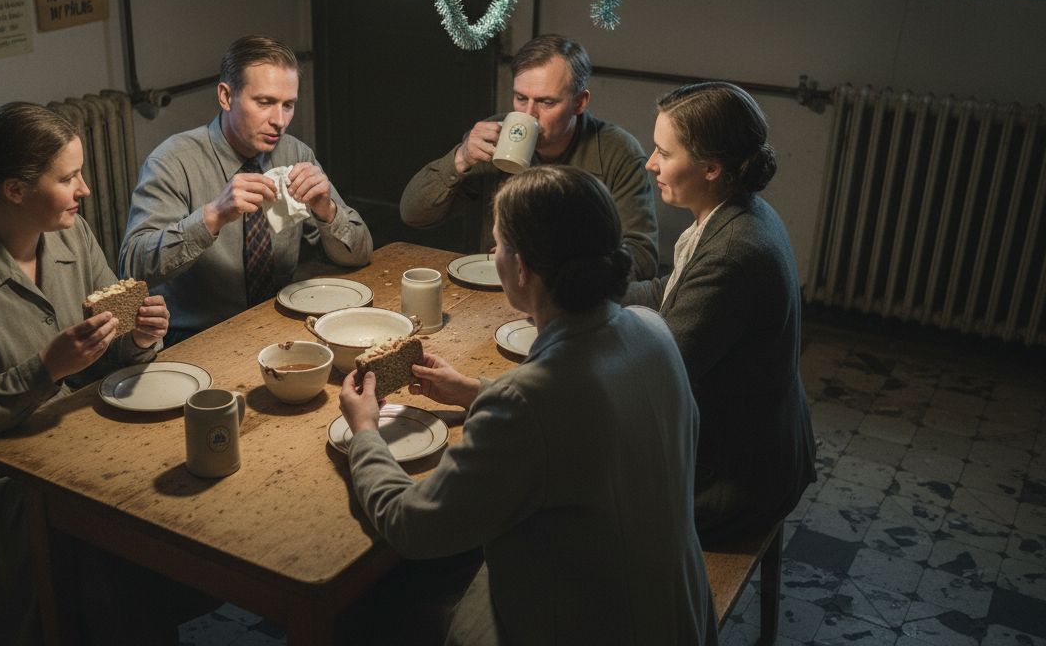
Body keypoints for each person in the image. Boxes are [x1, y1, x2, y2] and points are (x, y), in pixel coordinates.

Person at [340, 165, 714, 645]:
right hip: (676, 616)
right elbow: (577, 415)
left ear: (521, 268)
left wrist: (366, 432)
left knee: (368, 606)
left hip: (593, 628)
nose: (492, 254)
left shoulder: (527, 403)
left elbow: (411, 525)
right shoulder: (652, 331)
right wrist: (473, 390)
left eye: (496, 244)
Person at [0, 102, 202, 644]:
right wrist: (46, 370)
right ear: (14, 189)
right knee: (102, 543)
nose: (86, 190)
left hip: (52, 436)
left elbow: (107, 343)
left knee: (155, 498)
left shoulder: (70, 235)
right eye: (69, 177)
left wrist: (140, 338)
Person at [625, 81, 816, 546]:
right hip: (757, 447)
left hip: (734, 485)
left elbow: (659, 378)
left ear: (711, 168)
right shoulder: (736, 212)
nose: (651, 164)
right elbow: (667, 292)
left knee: (575, 489)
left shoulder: (734, 250)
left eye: (663, 153)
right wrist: (584, 293)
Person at [120, 35, 372, 343]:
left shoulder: (295, 155)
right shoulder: (172, 162)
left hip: (277, 324)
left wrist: (327, 211)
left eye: (288, 105)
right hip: (195, 337)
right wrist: (211, 217)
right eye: (265, 102)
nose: (279, 121)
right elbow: (132, 268)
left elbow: (360, 255)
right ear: (226, 97)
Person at [399, 34, 658, 280]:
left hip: (573, 302)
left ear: (579, 102)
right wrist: (460, 158)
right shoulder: (495, 137)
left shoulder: (617, 150)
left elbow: (642, 258)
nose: (529, 114)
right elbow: (413, 214)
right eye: (521, 98)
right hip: (495, 290)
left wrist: (552, 265)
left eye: (546, 102)